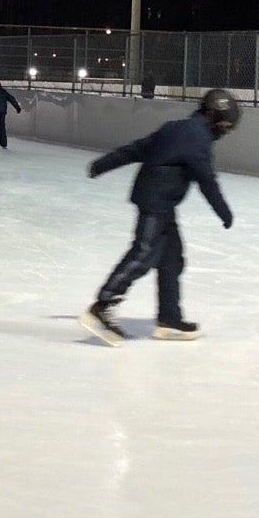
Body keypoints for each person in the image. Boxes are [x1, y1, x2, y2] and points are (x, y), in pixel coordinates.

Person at [80, 88, 240, 346]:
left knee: (171, 259)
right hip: (156, 203)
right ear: (214, 117)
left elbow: (136, 149)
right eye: (224, 126)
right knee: (143, 254)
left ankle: (169, 319)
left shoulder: (175, 127)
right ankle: (103, 305)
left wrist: (103, 164)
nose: (223, 132)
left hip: (160, 203)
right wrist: (225, 213)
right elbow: (208, 182)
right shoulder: (198, 140)